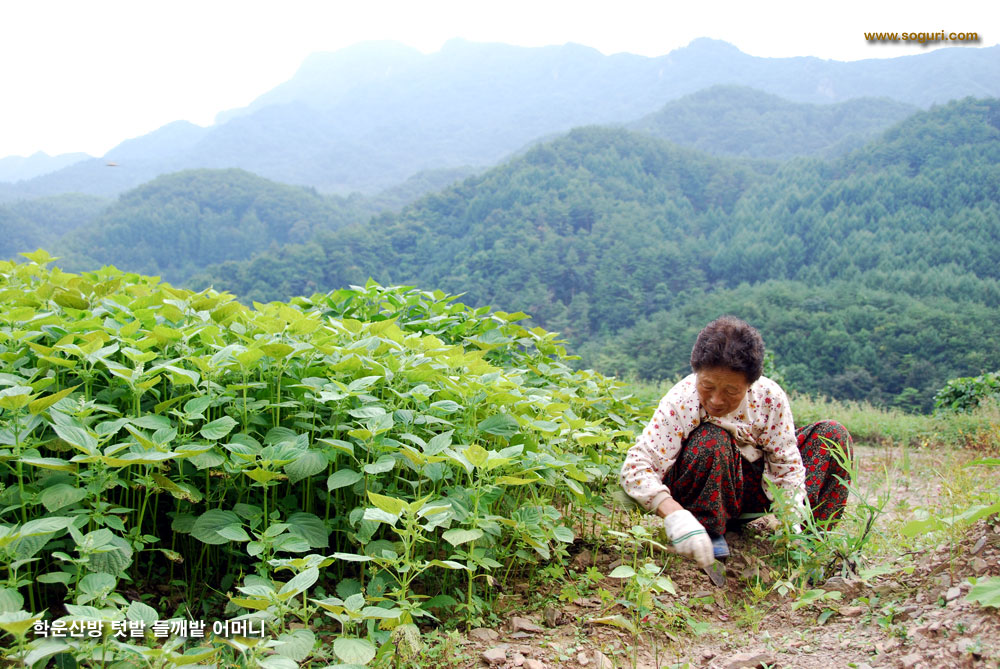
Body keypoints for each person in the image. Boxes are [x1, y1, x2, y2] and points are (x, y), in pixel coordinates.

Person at [619, 316, 853, 568]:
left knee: (833, 436)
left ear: (750, 384)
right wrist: (674, 514)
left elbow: (786, 464)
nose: (716, 400)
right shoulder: (682, 399)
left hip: (751, 488)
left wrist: (791, 518)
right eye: (707, 386)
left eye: (731, 391)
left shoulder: (769, 399)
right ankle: (706, 530)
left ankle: (808, 541)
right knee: (712, 439)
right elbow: (636, 467)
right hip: (698, 491)